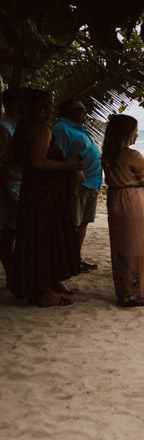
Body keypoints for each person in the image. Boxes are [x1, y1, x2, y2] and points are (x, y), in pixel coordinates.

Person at [9, 88, 82, 307]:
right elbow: (38, 162)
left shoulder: (21, 130)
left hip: (31, 192)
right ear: (40, 109)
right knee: (45, 242)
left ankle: (45, 285)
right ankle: (45, 293)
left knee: (34, 241)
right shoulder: (41, 130)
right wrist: (71, 165)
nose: (51, 109)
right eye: (48, 105)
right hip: (44, 194)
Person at [101, 115, 144, 306]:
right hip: (134, 202)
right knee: (142, 246)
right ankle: (143, 292)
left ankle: (126, 291)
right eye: (135, 130)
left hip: (115, 200)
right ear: (126, 132)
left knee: (124, 245)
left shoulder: (108, 154)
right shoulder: (132, 155)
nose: (137, 134)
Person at [51, 97, 103, 271]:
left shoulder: (79, 129)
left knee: (82, 223)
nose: (85, 113)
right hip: (78, 185)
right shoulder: (62, 129)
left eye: (85, 110)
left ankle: (74, 258)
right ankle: (66, 261)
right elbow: (58, 157)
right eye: (80, 110)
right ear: (67, 112)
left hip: (92, 184)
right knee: (73, 224)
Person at [0, 88, 22, 284]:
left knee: (11, 234)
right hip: (9, 189)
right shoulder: (4, 127)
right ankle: (13, 276)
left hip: (15, 186)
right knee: (7, 236)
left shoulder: (13, 125)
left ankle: (13, 276)